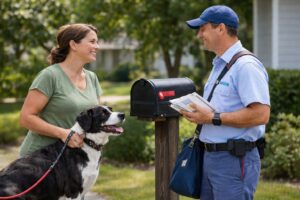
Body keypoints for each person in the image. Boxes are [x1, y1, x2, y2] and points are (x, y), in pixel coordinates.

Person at [182, 5, 270, 200]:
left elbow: (261, 114)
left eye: (203, 29)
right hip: (212, 157)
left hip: (233, 160)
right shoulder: (220, 64)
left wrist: (211, 117)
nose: (199, 35)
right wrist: (199, 114)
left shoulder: (246, 66)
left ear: (220, 28)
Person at [19, 23, 102, 157]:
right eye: (92, 41)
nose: (97, 47)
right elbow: (25, 118)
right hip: (39, 159)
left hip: (73, 160)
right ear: (73, 45)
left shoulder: (92, 78)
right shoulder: (50, 76)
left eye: (97, 42)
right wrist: (63, 133)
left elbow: (96, 117)